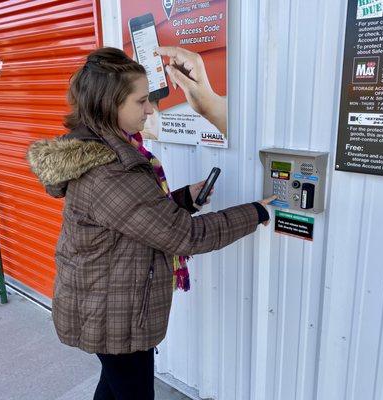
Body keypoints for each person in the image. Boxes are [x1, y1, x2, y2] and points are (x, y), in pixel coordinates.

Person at [26, 47, 275, 400]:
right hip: (113, 312)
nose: (150, 109)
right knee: (132, 391)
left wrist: (185, 199)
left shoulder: (104, 151)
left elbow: (135, 219)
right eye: (141, 101)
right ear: (110, 103)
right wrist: (257, 212)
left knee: (114, 386)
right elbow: (185, 236)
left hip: (104, 302)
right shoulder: (112, 170)